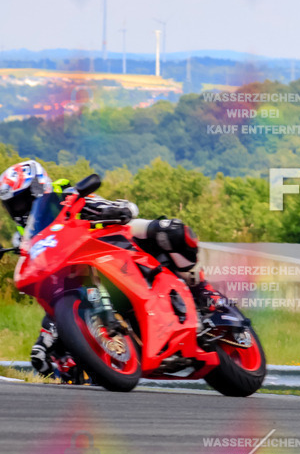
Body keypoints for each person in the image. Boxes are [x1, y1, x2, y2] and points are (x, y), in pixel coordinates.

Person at [1, 160, 232, 374]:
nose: (17, 210)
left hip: (113, 241)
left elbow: (124, 208)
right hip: (75, 270)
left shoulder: (66, 196)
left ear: (39, 188)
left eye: (20, 201)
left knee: (168, 230)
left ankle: (203, 291)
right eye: (11, 206)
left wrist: (115, 210)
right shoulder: (25, 238)